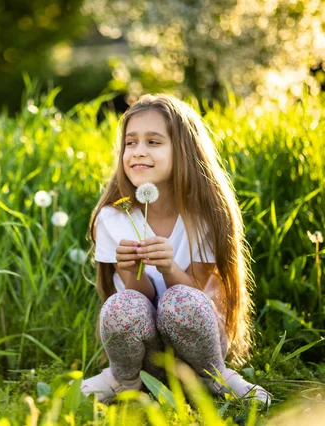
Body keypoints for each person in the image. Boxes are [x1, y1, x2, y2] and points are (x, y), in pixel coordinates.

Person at [81, 94, 270, 405]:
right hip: (144, 353)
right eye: (131, 143)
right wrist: (129, 272)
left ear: (183, 151)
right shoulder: (113, 217)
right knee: (122, 305)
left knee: (180, 300)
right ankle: (125, 380)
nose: (138, 152)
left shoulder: (204, 215)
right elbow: (137, 300)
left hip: (198, 347)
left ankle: (214, 377)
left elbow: (195, 299)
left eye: (153, 142)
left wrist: (169, 267)